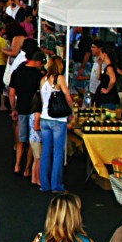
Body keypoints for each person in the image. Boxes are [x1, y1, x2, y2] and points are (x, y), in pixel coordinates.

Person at [9, 41, 45, 177]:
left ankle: (17, 165)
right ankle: (27, 169)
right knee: (32, 141)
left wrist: (13, 109)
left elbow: (12, 93)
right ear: (37, 61)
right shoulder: (38, 75)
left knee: (20, 141)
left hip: (21, 109)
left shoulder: (17, 72)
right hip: (34, 110)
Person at [39, 56, 73, 192]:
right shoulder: (60, 79)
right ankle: (56, 185)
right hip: (58, 119)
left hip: (44, 118)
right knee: (58, 153)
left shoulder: (43, 80)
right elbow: (68, 97)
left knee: (46, 151)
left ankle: (44, 184)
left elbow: (43, 100)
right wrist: (72, 112)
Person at [91, 42, 121, 109]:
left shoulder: (109, 67)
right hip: (102, 98)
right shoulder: (106, 66)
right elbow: (98, 77)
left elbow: (113, 80)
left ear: (105, 54)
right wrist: (100, 65)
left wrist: (107, 89)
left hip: (108, 98)